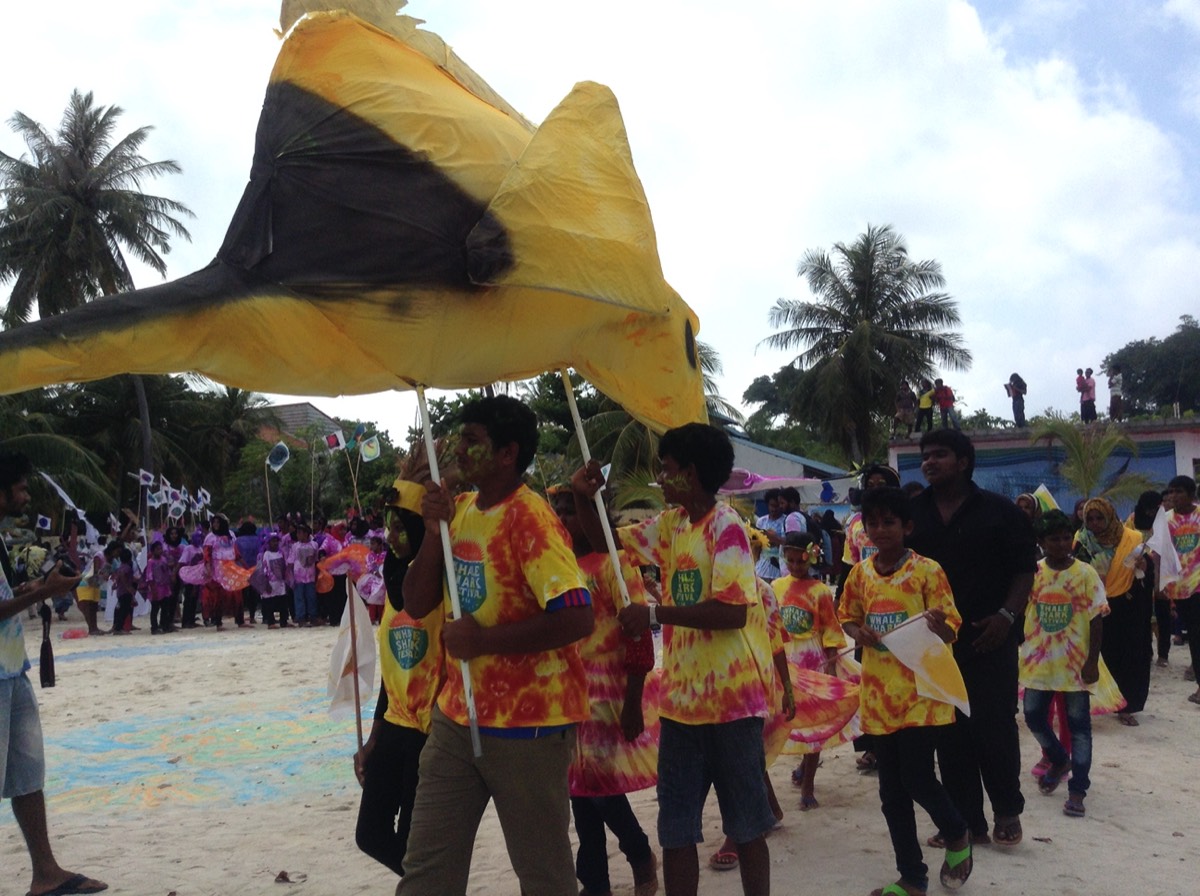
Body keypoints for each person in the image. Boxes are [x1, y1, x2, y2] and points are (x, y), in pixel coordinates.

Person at [400, 395, 594, 896]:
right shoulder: (460, 510)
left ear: (507, 454)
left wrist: (483, 641)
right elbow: (417, 603)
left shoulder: (531, 520)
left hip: (529, 728)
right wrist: (429, 532)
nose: (458, 450)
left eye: (471, 441)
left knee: (545, 875)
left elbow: (577, 615)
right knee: (426, 872)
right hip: (455, 718)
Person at [573, 422, 776, 896]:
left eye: (667, 470)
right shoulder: (672, 525)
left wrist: (653, 614)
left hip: (732, 707)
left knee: (746, 827)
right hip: (680, 707)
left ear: (691, 471)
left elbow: (730, 612)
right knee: (675, 829)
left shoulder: (726, 529)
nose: (660, 480)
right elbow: (604, 540)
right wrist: (586, 498)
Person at [838, 487, 972, 896]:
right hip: (878, 695)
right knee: (890, 792)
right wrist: (857, 631)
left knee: (916, 777)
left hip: (920, 693)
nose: (880, 530)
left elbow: (952, 628)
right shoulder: (860, 573)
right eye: (872, 522)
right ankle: (911, 877)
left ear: (907, 526)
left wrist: (938, 626)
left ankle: (956, 831)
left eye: (889, 522)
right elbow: (847, 616)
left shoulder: (927, 571)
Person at [906, 429, 1035, 848]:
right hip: (935, 645)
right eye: (925, 456)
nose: (929, 462)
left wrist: (1006, 615)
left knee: (995, 727)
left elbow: (1023, 570)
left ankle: (1006, 810)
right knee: (950, 733)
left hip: (989, 639)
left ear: (963, 461)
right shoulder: (912, 515)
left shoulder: (1000, 512)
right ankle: (966, 821)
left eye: (939, 454)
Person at [0, 450, 108, 896]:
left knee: (27, 777)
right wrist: (42, 591)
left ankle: (45, 873)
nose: (26, 495)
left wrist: (31, 589)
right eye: (20, 488)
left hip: (10, 668)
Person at [551, 487, 659, 896]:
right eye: (558, 511)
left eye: (571, 511)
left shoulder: (614, 565)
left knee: (599, 789)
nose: (564, 518)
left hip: (607, 691)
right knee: (578, 791)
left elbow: (638, 637)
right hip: (565, 694)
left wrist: (633, 702)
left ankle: (640, 853)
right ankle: (595, 881)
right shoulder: (558, 565)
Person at [354, 484, 439, 880]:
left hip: (432, 730)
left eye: (400, 527)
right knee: (370, 835)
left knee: (413, 841)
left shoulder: (444, 581)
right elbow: (393, 669)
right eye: (388, 526)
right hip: (394, 724)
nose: (390, 536)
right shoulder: (393, 580)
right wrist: (373, 738)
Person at [1020, 510, 1104, 819]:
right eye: (1054, 539)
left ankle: (1078, 790)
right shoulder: (1033, 572)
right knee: (1032, 716)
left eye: (1066, 537)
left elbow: (1096, 620)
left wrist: (1092, 661)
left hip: (1074, 664)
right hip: (1038, 663)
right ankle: (1058, 758)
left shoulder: (1085, 573)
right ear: (1041, 542)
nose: (1062, 544)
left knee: (1080, 728)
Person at [773, 532, 841, 809]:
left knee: (816, 722)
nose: (794, 566)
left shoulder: (820, 591)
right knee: (786, 718)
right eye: (789, 560)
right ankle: (803, 769)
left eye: (799, 561)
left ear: (811, 558)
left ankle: (808, 786)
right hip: (784, 659)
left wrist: (831, 667)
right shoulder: (776, 586)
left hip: (813, 658)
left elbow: (831, 631)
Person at [1073, 498, 1150, 725]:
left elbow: (1147, 570)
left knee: (1129, 655)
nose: (1095, 523)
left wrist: (1144, 567)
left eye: (1100, 518)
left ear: (1110, 517)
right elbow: (1075, 569)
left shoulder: (1132, 538)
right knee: (1094, 655)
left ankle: (1126, 706)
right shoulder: (1081, 540)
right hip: (1093, 604)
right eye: (1091, 519)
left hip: (1128, 605)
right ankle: (1091, 703)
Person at [1164, 476, 1200, 705]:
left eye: (1178, 491)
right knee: (1195, 636)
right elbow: (1159, 554)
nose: (1173, 496)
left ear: (1190, 493)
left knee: (1197, 636)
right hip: (1178, 588)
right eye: (1171, 491)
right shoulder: (1165, 520)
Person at [754, 489, 788, 582]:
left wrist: (774, 539)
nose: (774, 509)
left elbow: (787, 543)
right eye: (771, 505)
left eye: (777, 506)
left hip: (779, 567)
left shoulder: (786, 521)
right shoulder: (761, 521)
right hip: (761, 568)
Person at [288, 524, 319, 627]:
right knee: (299, 597)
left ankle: (313, 616)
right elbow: (290, 562)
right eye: (297, 533)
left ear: (306, 534)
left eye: (300, 533)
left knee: (311, 597)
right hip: (298, 576)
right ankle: (301, 617)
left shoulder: (314, 545)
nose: (298, 535)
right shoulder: (295, 546)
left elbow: (316, 560)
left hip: (310, 576)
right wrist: (291, 576)